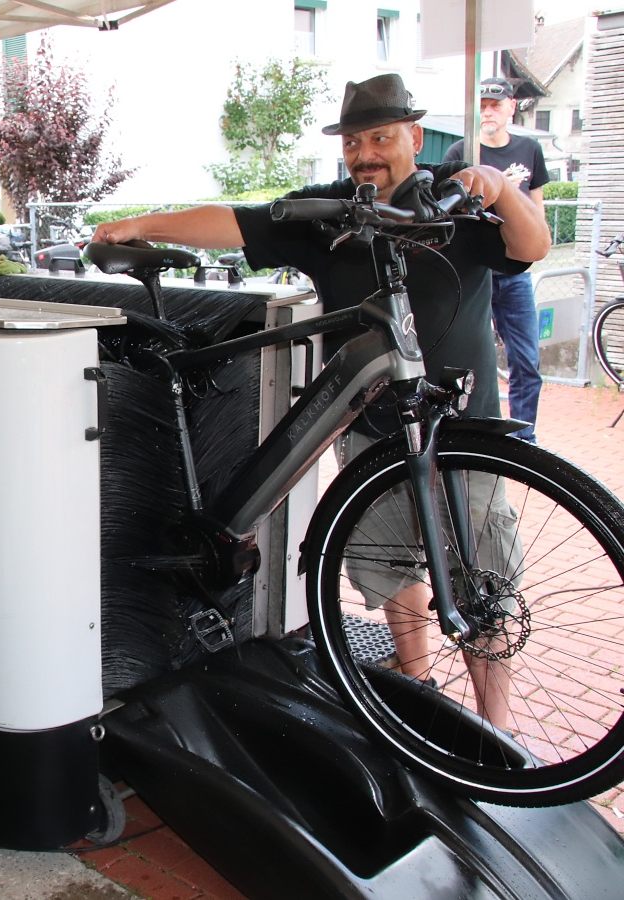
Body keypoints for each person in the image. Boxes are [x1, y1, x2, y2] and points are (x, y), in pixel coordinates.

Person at [93, 74, 551, 731]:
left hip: (461, 426)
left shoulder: (453, 202)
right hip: (375, 434)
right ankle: (419, 699)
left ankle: (499, 730)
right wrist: (143, 222)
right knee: (394, 573)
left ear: (414, 138)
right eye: (356, 140)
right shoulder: (332, 212)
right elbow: (236, 221)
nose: (366, 152)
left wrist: (502, 188)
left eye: (382, 137)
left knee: (481, 588)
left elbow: (530, 246)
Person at [443, 76, 549, 443]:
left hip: (516, 272)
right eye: (482, 105)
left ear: (511, 107)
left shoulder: (529, 149)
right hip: (477, 272)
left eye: (495, 104)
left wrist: (536, 241)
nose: (488, 111)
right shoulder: (461, 152)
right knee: (474, 360)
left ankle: (525, 441)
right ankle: (473, 440)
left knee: (526, 360)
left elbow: (537, 208)